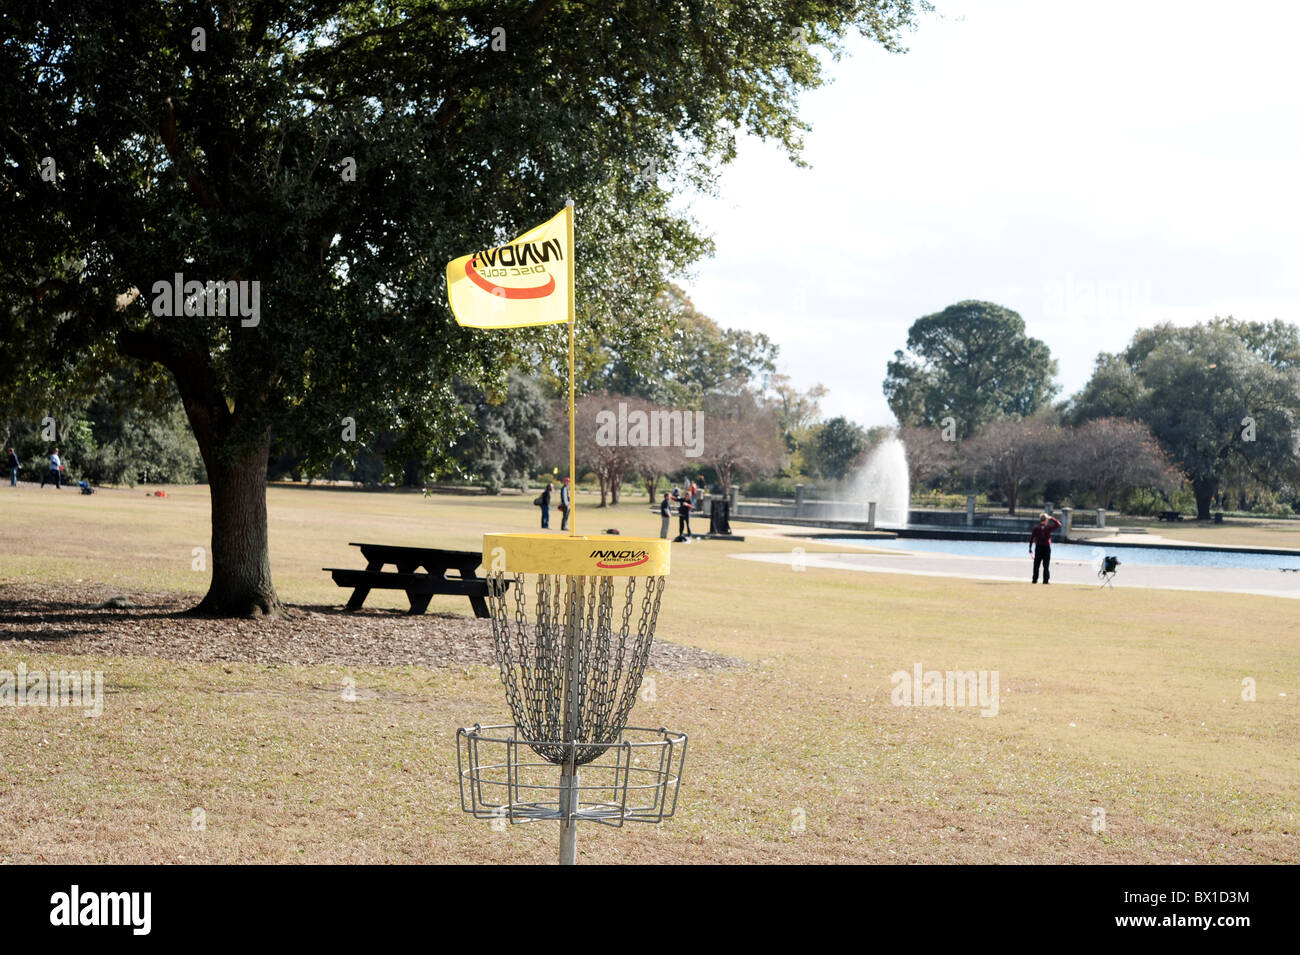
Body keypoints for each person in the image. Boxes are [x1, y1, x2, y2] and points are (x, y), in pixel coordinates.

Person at [1029, 512, 1062, 584]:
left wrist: (1030, 549)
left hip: (1038, 548)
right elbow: (1059, 524)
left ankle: (1034, 580)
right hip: (1046, 548)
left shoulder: (1036, 527)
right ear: (1046, 520)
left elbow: (1031, 538)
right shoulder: (1048, 528)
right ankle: (1045, 580)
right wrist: (1052, 518)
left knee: (1036, 565)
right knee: (1046, 565)